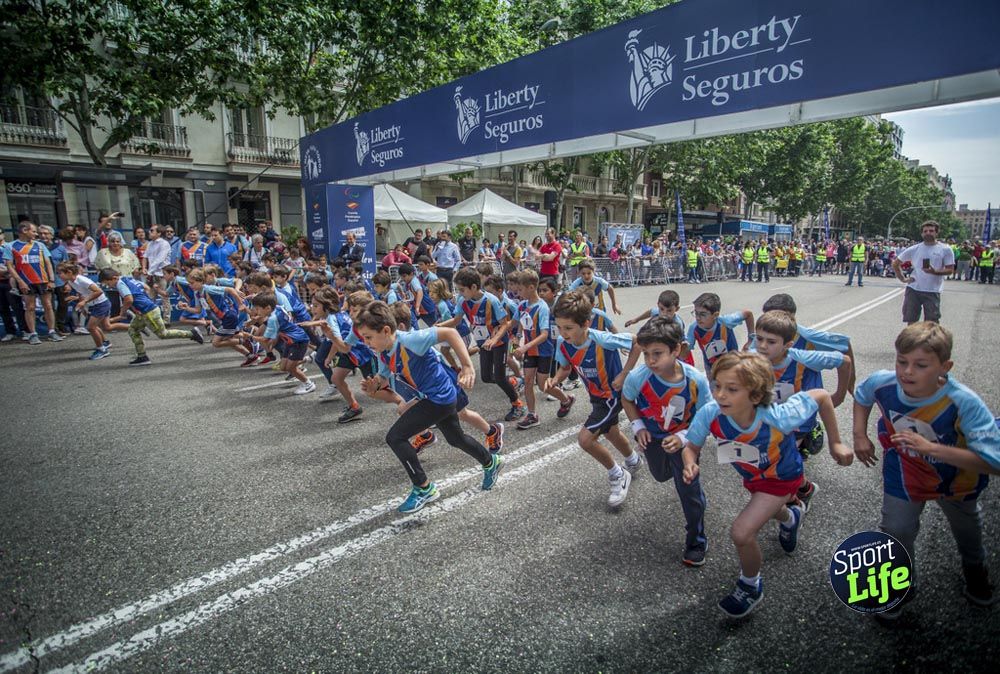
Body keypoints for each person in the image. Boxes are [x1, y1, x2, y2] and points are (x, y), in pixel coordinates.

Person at [682, 351, 853, 618]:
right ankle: (791, 517)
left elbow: (820, 395)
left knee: (741, 532)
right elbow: (691, 446)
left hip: (783, 477)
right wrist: (690, 462)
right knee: (769, 509)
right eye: (717, 386)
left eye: (731, 389)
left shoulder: (779, 417)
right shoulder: (710, 413)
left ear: (755, 395)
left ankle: (750, 585)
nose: (720, 395)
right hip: (754, 478)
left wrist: (836, 443)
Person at [853, 322, 1000, 618]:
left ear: (945, 366)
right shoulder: (884, 383)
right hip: (905, 472)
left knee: (967, 530)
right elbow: (862, 394)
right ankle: (901, 586)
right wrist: (859, 434)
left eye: (920, 365)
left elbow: (994, 462)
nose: (907, 372)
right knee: (896, 529)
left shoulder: (964, 402)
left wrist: (932, 449)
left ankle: (976, 572)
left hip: (957, 479)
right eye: (901, 361)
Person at [356, 301, 503, 513]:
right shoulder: (384, 351)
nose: (366, 342)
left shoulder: (411, 340)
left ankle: (423, 488)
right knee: (456, 439)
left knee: (395, 437)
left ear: (386, 330)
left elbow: (450, 333)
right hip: (435, 397)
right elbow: (384, 375)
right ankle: (491, 462)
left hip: (438, 398)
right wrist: (374, 385)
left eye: (368, 337)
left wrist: (468, 367)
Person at [622, 318, 711, 566]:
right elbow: (627, 399)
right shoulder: (639, 377)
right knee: (661, 475)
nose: (650, 361)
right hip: (653, 439)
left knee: (689, 491)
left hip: (685, 443)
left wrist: (684, 438)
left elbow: (708, 417)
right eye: (646, 354)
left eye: (657, 354)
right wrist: (638, 426)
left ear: (677, 350)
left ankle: (696, 540)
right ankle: (679, 476)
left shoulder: (696, 381)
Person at [543, 289, 642, 508]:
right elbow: (565, 367)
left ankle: (618, 475)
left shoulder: (601, 339)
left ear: (586, 323)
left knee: (586, 439)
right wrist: (555, 379)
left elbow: (637, 342)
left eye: (568, 328)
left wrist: (623, 374)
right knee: (612, 432)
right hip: (596, 396)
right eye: (559, 327)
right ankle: (633, 460)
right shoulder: (563, 343)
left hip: (612, 396)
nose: (563, 332)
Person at [451, 267, 524, 421]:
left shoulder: (491, 300)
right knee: (486, 376)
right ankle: (512, 381)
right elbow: (456, 321)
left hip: (499, 342)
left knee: (498, 376)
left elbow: (505, 324)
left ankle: (517, 404)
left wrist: (495, 339)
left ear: (473, 287)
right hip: (484, 343)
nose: (459, 293)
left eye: (462, 290)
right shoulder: (462, 301)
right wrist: (437, 327)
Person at [511, 270, 575, 429]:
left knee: (542, 385)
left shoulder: (542, 308)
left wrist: (525, 346)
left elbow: (545, 334)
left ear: (531, 287)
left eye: (520, 290)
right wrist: (517, 338)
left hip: (543, 351)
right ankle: (532, 415)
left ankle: (566, 400)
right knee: (527, 381)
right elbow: (519, 322)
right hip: (530, 352)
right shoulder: (522, 305)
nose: (517, 293)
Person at [98, 268, 201, 365]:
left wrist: (122, 313)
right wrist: (139, 306)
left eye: (108, 283)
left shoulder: (120, 284)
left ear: (114, 278)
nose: (109, 286)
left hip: (148, 311)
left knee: (163, 334)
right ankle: (142, 356)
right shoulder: (128, 279)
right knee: (133, 330)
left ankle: (192, 333)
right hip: (144, 310)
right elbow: (145, 288)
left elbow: (129, 299)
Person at [241, 292, 315, 394]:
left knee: (291, 368)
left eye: (258, 309)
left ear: (267, 308)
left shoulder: (272, 319)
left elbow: (265, 340)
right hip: (290, 341)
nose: (256, 311)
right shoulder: (278, 308)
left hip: (298, 340)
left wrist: (250, 336)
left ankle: (308, 384)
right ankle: (309, 358)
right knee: (283, 367)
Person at [2, 221, 61, 344]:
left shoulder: (40, 245)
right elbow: (10, 266)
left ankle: (52, 331)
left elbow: (48, 263)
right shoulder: (11, 246)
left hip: (43, 280)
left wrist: (51, 279)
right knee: (30, 307)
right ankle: (33, 333)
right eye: (34, 231)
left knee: (48, 306)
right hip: (26, 281)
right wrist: (20, 282)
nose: (36, 234)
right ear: (24, 231)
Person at [892, 221, 956, 324]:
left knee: (931, 322)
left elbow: (950, 270)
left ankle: (930, 340)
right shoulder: (915, 248)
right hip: (914, 289)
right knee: (911, 320)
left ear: (936, 233)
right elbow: (896, 263)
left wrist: (935, 272)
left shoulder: (945, 249)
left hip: (932, 290)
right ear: (922, 233)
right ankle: (911, 340)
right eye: (925, 231)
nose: (928, 233)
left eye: (931, 231)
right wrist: (903, 278)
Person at [686, 292, 754, 370]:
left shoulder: (726, 321)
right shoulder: (693, 328)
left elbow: (748, 314)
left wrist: (750, 339)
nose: (698, 318)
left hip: (732, 363)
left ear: (715, 315)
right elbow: (687, 349)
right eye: (696, 313)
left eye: (703, 314)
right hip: (711, 367)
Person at [58, 262, 113, 359]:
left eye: (60, 273)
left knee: (91, 327)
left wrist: (84, 302)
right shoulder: (71, 281)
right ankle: (104, 343)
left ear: (69, 272)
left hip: (101, 304)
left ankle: (101, 349)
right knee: (98, 326)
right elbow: (81, 292)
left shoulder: (82, 280)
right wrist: (79, 301)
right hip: (95, 304)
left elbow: (98, 291)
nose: (59, 275)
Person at [144, 225, 173, 321]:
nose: (149, 232)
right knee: (150, 297)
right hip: (152, 273)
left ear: (159, 233)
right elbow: (146, 256)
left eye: (152, 231)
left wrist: (149, 272)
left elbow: (160, 259)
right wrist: (145, 268)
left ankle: (166, 319)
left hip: (162, 273)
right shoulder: (150, 244)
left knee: (164, 296)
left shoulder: (164, 244)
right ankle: (151, 318)